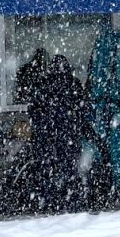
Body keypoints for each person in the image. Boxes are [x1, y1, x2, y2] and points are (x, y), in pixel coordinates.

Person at [28, 54, 90, 212]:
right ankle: (71, 201)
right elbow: (82, 110)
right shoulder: (73, 84)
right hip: (67, 133)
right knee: (70, 168)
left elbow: (34, 110)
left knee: (47, 169)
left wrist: (43, 127)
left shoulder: (43, 84)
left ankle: (49, 201)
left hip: (49, 134)